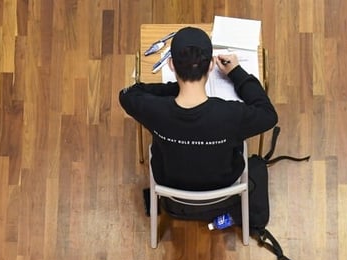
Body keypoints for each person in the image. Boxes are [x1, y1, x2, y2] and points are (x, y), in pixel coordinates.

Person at [119, 27, 278, 192]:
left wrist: (176, 89)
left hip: (169, 180)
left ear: (171, 64)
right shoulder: (231, 115)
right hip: (224, 181)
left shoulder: (153, 110)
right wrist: (237, 73)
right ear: (210, 65)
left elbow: (127, 94)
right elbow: (269, 115)